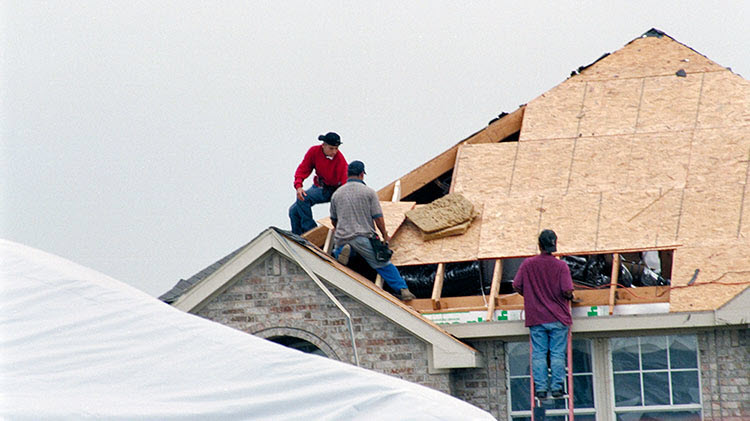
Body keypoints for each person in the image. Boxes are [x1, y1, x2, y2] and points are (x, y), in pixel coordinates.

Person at [329, 160, 416, 301]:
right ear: (362, 174)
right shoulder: (369, 192)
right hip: (363, 237)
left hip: (343, 236)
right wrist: (385, 235)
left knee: (336, 252)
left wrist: (341, 229)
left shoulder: (337, 194)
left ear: (348, 174)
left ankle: (344, 251)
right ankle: (403, 290)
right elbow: (378, 217)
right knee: (382, 264)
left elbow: (334, 220)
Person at [513, 229, 574, 400]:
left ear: (539, 245)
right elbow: (567, 290)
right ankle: (557, 388)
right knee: (557, 353)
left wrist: (531, 295)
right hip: (558, 317)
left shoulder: (527, 264)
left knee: (539, 353)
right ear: (554, 244)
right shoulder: (561, 266)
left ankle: (540, 389)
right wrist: (569, 297)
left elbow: (516, 285)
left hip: (536, 318)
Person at [288, 132, 348, 235]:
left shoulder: (340, 160)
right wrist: (298, 186)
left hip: (335, 190)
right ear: (323, 145)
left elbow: (345, 182)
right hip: (319, 186)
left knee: (304, 199)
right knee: (294, 210)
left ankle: (311, 232)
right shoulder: (314, 152)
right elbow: (303, 169)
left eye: (336, 148)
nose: (334, 152)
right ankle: (298, 236)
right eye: (331, 148)